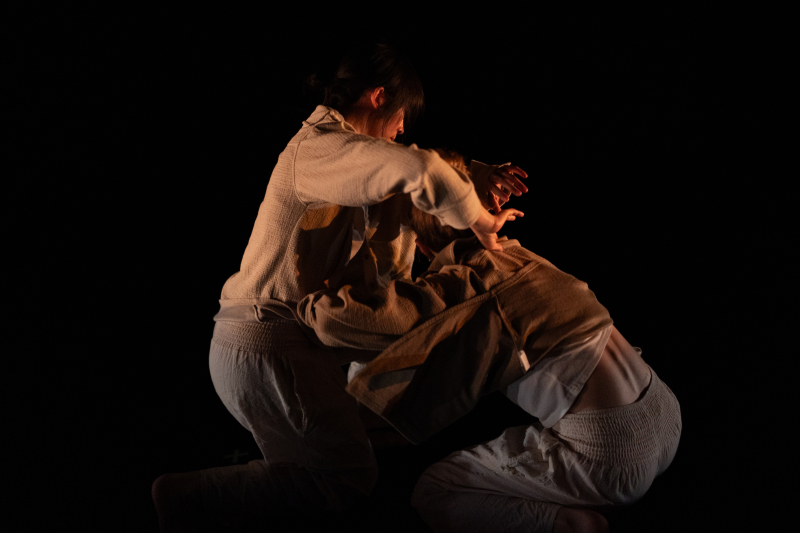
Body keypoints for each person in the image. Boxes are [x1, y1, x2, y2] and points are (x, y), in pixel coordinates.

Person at [150, 43, 528, 532]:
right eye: (401, 117)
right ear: (377, 97)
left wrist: (476, 175)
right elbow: (416, 169)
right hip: (267, 346)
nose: (402, 130)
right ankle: (184, 496)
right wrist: (481, 221)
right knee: (348, 477)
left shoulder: (341, 158)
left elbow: (404, 171)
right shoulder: (317, 147)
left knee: (329, 465)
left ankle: (195, 503)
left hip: (272, 348)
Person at [296, 150, 682, 533]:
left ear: (424, 247)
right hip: (664, 412)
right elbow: (434, 171)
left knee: (438, 490)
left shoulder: (467, 285)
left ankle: (570, 524)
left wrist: (304, 299)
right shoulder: (523, 258)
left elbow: (339, 321)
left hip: (612, 451)